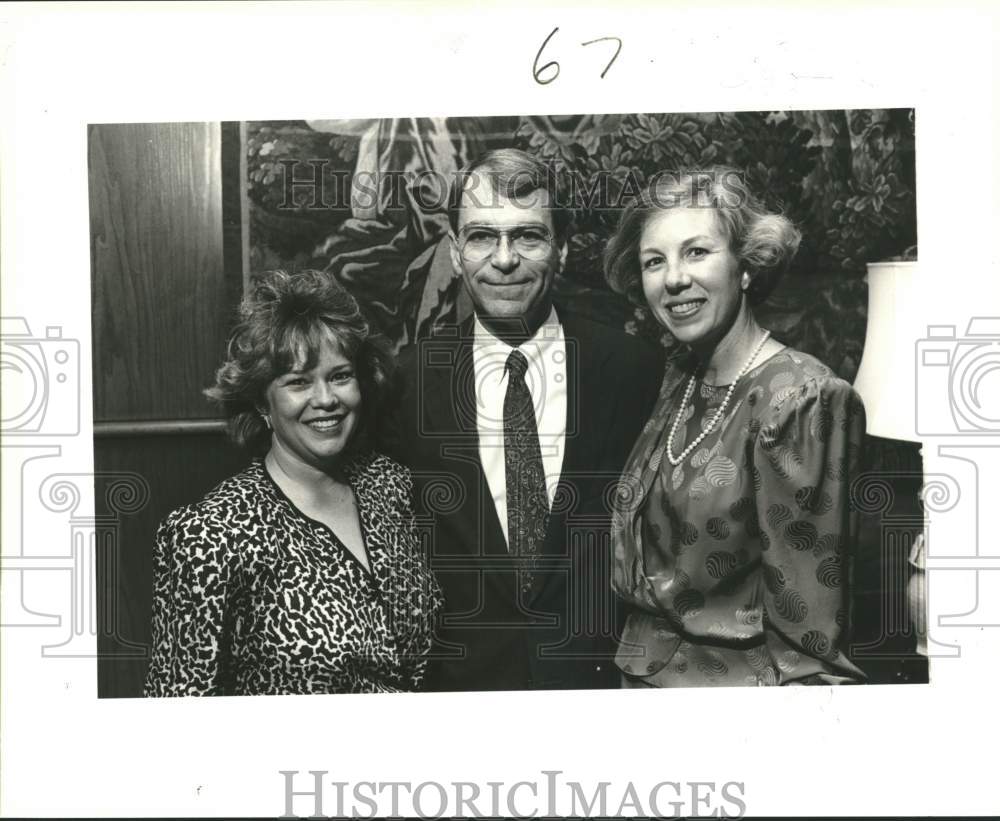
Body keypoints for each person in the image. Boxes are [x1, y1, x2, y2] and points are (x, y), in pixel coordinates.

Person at [392, 148, 664, 691]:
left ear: (560, 249)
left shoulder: (632, 369)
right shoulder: (406, 382)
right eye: (481, 237)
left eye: (528, 236)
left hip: (600, 687)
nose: (505, 259)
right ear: (454, 252)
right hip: (460, 696)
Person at [604, 168, 867, 687]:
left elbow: (808, 642)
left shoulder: (802, 399)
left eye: (696, 252)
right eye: (654, 261)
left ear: (745, 267)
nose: (673, 278)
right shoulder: (679, 378)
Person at [144, 269, 441, 696]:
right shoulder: (209, 535)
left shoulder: (389, 487)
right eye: (298, 382)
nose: (325, 400)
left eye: (340, 376)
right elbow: (175, 717)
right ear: (261, 399)